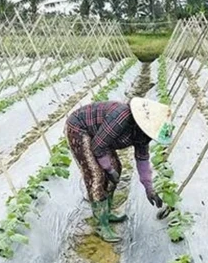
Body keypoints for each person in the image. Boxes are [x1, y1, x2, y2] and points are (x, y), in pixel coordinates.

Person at [65, 97, 174, 242]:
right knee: (96, 175)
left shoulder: (143, 135)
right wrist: (108, 170)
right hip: (80, 128)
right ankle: (101, 224)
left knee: (117, 167)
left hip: (100, 136)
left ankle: (107, 212)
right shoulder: (122, 117)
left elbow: (143, 161)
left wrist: (149, 189)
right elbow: (97, 147)